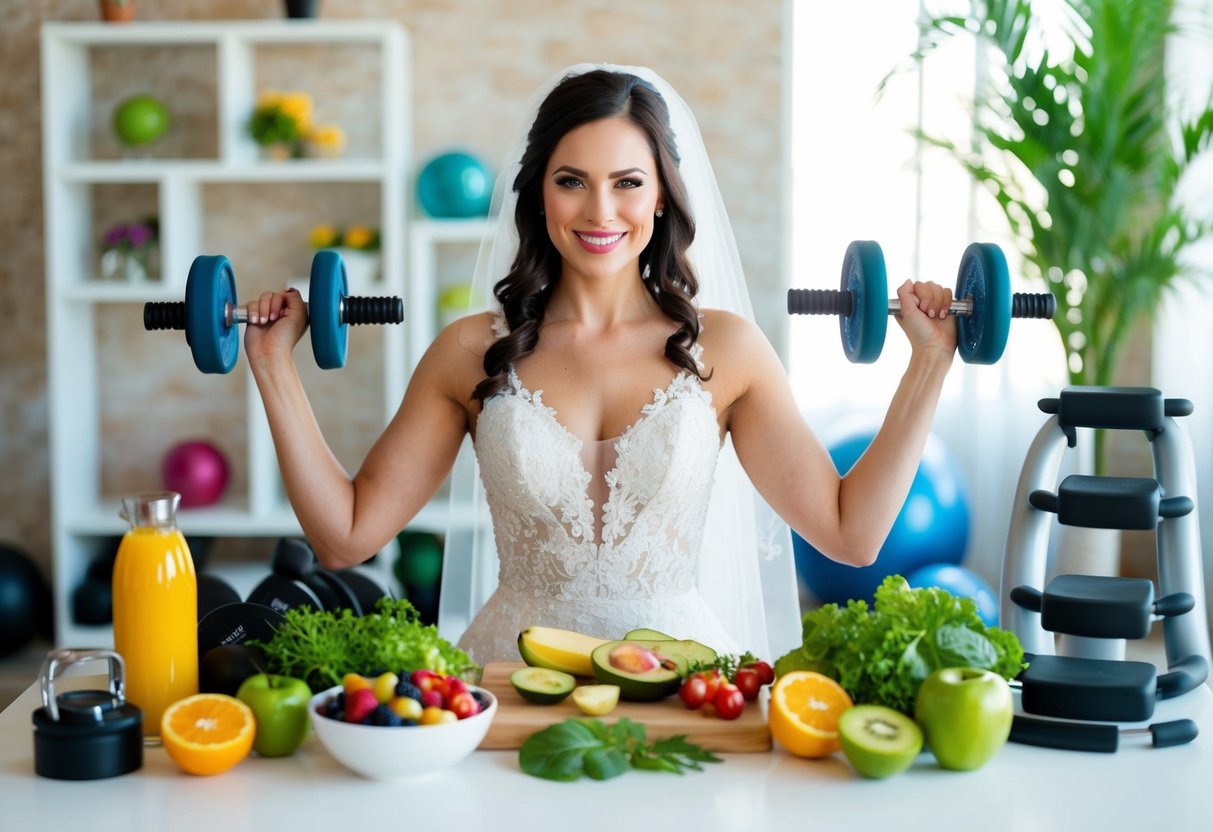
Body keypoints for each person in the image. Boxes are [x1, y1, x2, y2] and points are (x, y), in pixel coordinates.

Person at [242, 65, 957, 667]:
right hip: (509, 681)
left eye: (627, 182)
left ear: (661, 193)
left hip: (682, 690)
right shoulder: (469, 351)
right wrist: (274, 367)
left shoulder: (729, 351)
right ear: (538, 192)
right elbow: (345, 537)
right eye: (571, 180)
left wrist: (926, 364)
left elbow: (851, 534)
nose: (600, 210)